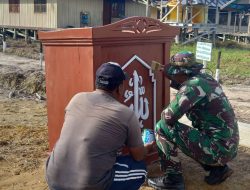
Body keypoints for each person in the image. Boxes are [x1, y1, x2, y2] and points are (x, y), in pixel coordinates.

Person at [45, 62, 155, 190]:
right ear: (119, 88)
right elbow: (138, 155)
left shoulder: (76, 98)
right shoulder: (126, 114)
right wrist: (147, 148)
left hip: (53, 178)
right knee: (140, 169)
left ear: (97, 83)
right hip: (87, 185)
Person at [148, 51, 239, 190]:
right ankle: (219, 170)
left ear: (182, 73)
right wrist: (165, 70)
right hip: (227, 146)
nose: (172, 76)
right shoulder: (204, 79)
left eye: (174, 73)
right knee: (198, 135)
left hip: (217, 150)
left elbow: (168, 117)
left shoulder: (191, 87)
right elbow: (182, 84)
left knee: (162, 127)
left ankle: (173, 180)